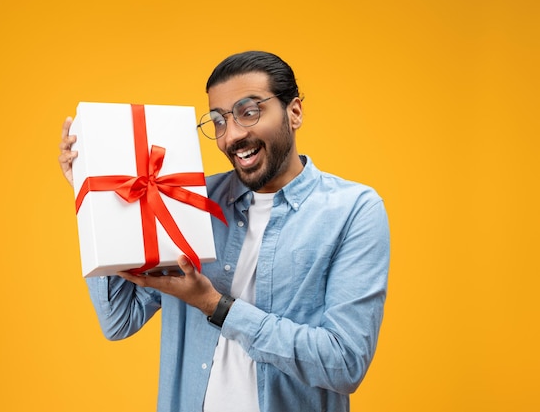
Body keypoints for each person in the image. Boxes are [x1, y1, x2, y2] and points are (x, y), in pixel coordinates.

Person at [58, 51, 390, 412]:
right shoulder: (186, 201)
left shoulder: (353, 209)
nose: (231, 135)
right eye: (218, 121)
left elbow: (344, 363)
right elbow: (119, 320)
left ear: (294, 112)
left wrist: (214, 305)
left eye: (249, 112)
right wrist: (93, 196)